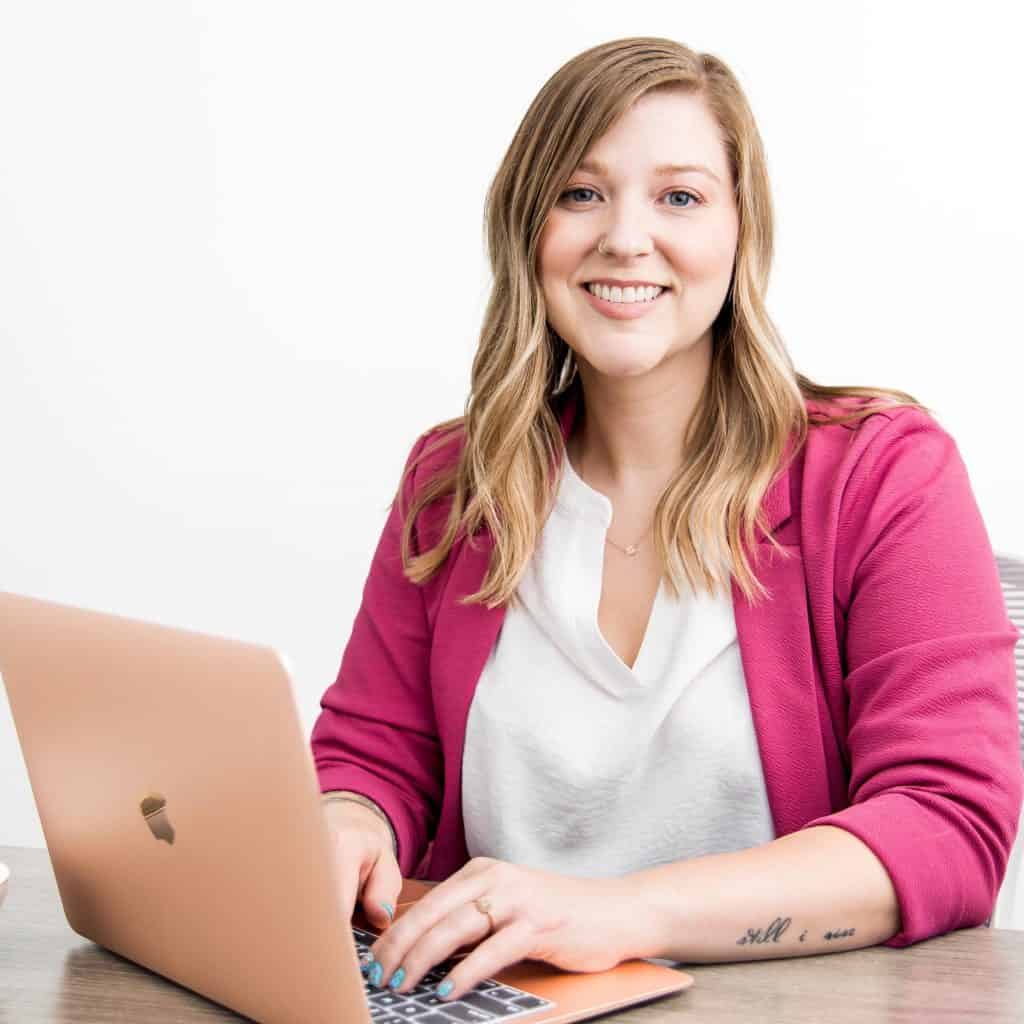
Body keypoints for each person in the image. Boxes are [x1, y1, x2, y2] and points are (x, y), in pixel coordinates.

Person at [310, 36, 1023, 1003]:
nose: (625, 237)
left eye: (679, 197)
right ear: (530, 227)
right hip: (497, 1003)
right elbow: (371, 756)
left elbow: (949, 827)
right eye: (580, 192)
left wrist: (620, 912)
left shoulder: (883, 471)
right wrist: (347, 820)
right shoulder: (455, 479)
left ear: (741, 231)